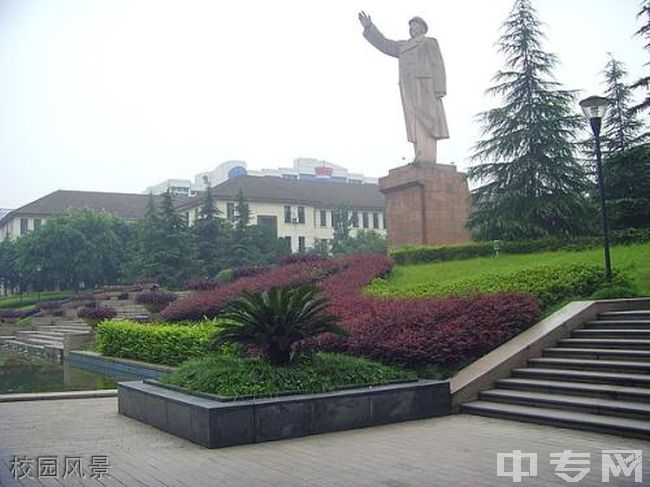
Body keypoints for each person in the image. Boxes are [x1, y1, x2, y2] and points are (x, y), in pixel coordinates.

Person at [359, 12, 449, 164]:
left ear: (423, 28)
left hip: (425, 85)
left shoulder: (429, 42)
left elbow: (438, 64)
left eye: (415, 25)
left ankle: (427, 157)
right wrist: (370, 28)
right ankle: (420, 156)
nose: (412, 28)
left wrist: (440, 88)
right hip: (408, 88)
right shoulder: (403, 46)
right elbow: (385, 44)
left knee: (429, 120)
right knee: (413, 122)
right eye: (410, 26)